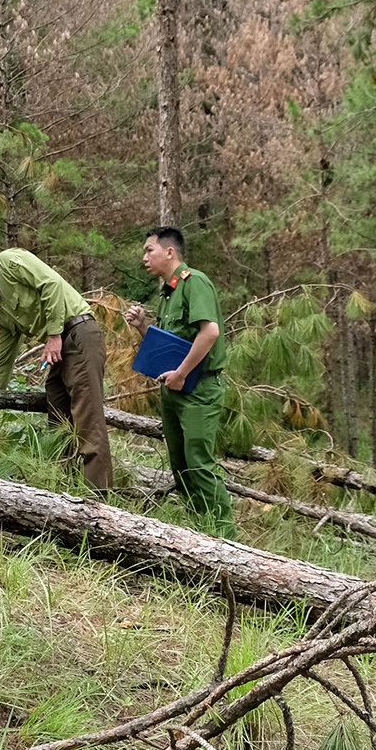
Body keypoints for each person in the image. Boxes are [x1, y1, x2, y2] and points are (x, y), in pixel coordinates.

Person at [0, 250, 112, 490]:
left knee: (88, 421)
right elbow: (3, 364)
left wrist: (53, 334)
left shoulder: (8, 262)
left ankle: (98, 499)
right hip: (61, 348)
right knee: (59, 418)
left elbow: (51, 283)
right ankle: (68, 491)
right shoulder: (2, 313)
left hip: (78, 333)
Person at [122, 225, 234, 536]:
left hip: (198, 388)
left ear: (169, 252)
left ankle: (225, 540)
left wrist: (182, 373)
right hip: (174, 388)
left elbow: (209, 332)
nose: (145, 257)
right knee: (181, 466)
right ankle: (201, 531)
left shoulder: (193, 282)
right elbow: (172, 345)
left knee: (199, 463)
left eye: (149, 250)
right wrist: (144, 326)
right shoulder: (168, 292)